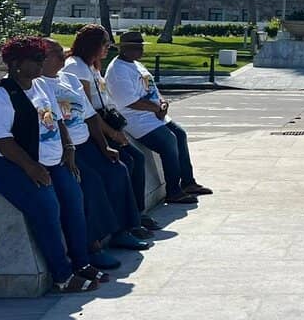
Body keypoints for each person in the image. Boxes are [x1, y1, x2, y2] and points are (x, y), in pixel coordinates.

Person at [0, 36, 104, 292]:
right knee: (46, 206)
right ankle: (63, 276)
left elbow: (55, 120)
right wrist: (30, 167)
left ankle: (81, 262)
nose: (41, 62)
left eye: (42, 56)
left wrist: (68, 147)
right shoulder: (0, 94)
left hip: (49, 159)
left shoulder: (41, 86)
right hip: (5, 163)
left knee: (73, 199)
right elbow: (1, 139)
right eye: (35, 59)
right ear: (15, 64)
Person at [39, 38, 151, 269]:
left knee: (118, 170)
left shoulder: (69, 79)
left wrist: (104, 146)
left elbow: (90, 116)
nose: (64, 57)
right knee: (90, 183)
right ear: (42, 58)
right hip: (63, 149)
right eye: (57, 54)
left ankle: (123, 229)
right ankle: (92, 245)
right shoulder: (38, 84)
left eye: (63, 52)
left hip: (86, 142)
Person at [63, 24, 161, 231]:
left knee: (137, 158)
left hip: (106, 122)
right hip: (94, 129)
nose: (108, 48)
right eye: (105, 44)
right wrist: (112, 134)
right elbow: (88, 110)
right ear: (93, 45)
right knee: (123, 164)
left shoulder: (91, 65)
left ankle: (136, 214)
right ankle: (126, 222)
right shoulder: (76, 67)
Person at [105, 32, 211, 205]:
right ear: (124, 49)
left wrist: (162, 104)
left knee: (180, 135)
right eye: (136, 47)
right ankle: (173, 191)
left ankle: (188, 182)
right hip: (137, 119)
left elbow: (152, 89)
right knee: (168, 141)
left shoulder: (136, 65)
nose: (140, 50)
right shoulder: (118, 70)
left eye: (141, 47)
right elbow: (129, 101)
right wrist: (156, 107)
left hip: (154, 114)